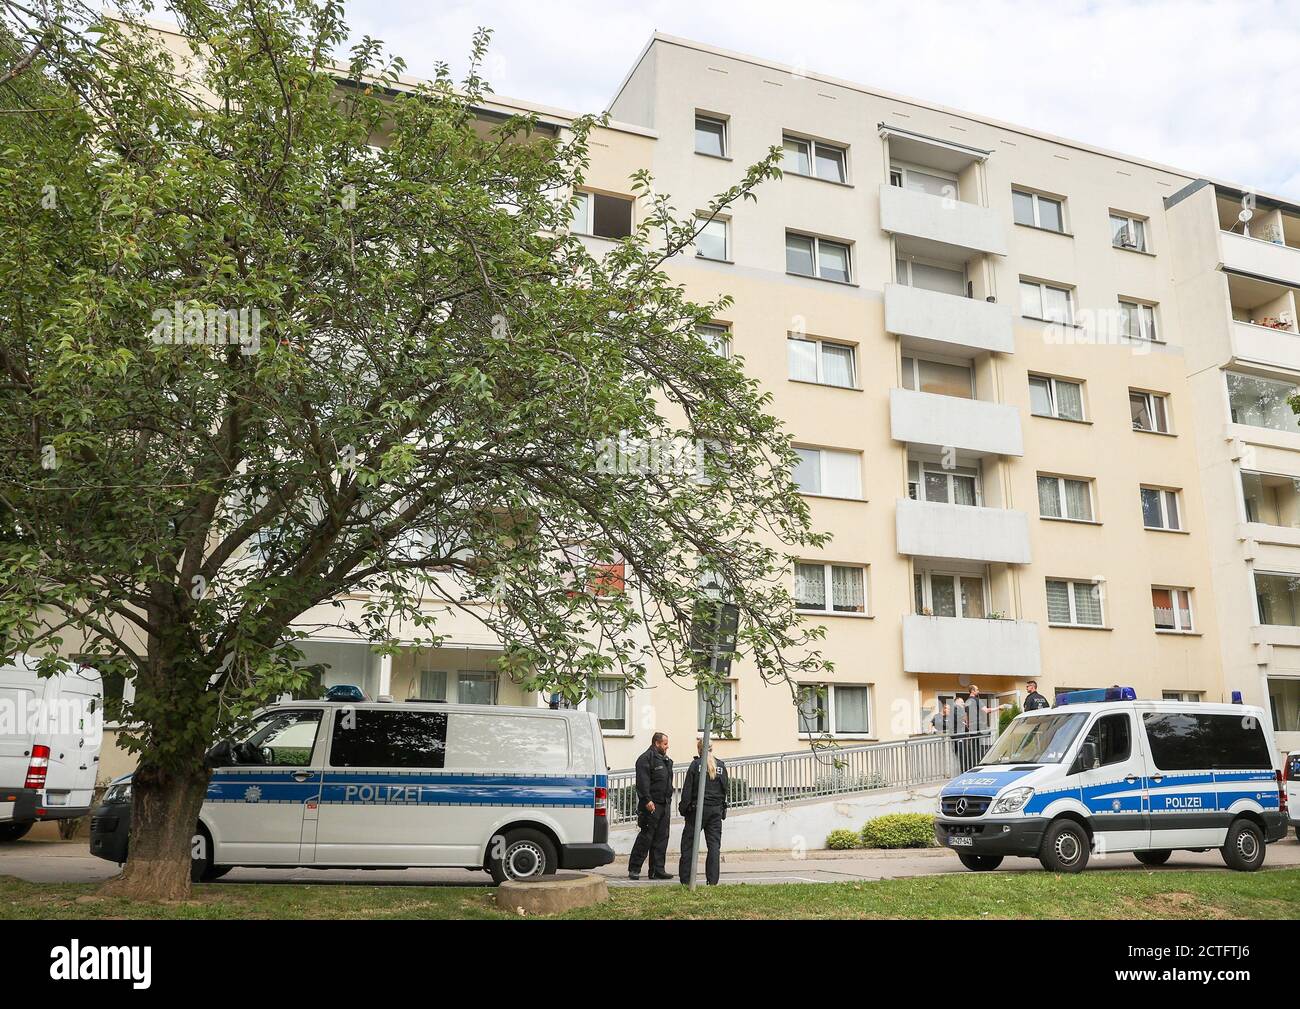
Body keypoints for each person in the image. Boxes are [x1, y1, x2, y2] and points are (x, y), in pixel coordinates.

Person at [678, 736, 729, 885]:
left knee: (688, 844)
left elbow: (687, 790)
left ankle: (686, 880)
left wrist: (684, 809)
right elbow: (724, 789)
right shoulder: (721, 766)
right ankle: (712, 881)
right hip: (715, 811)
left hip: (697, 810)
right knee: (714, 846)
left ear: (699, 750)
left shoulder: (695, 765)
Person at [627, 731, 674, 881]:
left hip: (664, 804)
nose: (667, 746)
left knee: (661, 838)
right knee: (646, 837)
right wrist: (647, 800)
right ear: (657, 743)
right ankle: (634, 868)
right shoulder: (645, 759)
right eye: (665, 744)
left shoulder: (665, 760)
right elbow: (643, 782)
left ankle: (657, 870)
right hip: (651, 805)